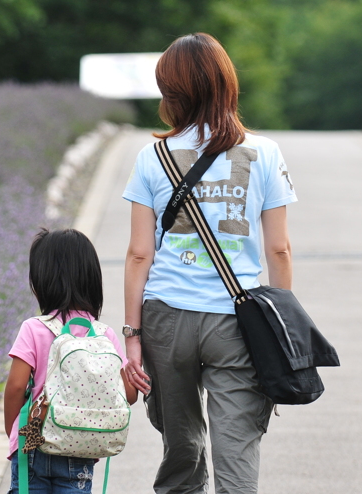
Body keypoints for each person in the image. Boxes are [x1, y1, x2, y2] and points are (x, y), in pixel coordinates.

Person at [121, 33, 297, 494]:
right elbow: (279, 250)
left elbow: (140, 253)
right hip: (236, 321)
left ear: (173, 94)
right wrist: (284, 331)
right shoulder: (266, 153)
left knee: (181, 448)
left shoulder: (151, 156)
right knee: (236, 451)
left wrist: (132, 336)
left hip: (165, 319)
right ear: (226, 85)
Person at [3, 228, 139, 494]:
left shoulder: (33, 328)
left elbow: (17, 387)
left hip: (34, 443)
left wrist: (15, 434)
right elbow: (129, 395)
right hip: (79, 445)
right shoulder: (103, 335)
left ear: (41, 282)